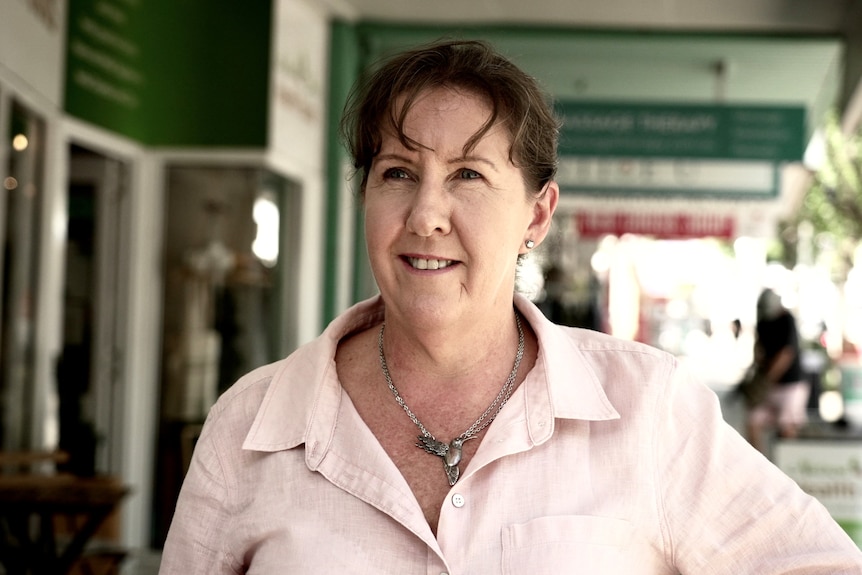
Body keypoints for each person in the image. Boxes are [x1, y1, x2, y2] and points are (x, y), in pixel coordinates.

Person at [159, 40, 862, 573]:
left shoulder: (649, 411)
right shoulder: (252, 426)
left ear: (537, 213)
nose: (426, 213)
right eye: (398, 173)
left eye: (467, 174)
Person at [746, 288, 810, 453]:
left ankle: (789, 468)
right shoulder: (762, 322)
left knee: (787, 428)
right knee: (753, 421)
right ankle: (760, 468)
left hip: (790, 386)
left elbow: (786, 354)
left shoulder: (787, 320)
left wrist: (767, 379)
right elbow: (759, 348)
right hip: (771, 387)